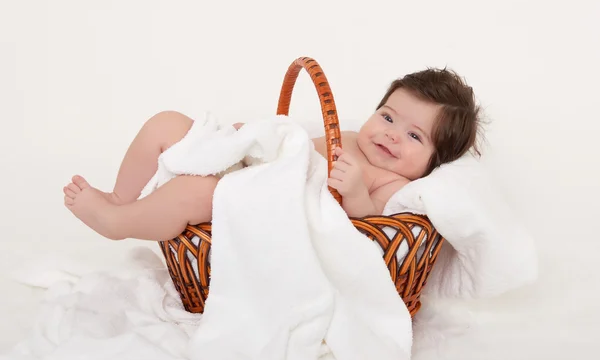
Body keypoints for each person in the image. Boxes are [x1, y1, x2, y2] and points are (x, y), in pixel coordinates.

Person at [63, 68, 482, 241]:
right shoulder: (353, 136)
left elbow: (370, 229)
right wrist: (257, 137)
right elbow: (298, 144)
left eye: (414, 135)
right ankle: (122, 196)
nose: (391, 136)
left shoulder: (393, 182)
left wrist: (356, 192)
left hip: (262, 204)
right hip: (255, 169)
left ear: (433, 162)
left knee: (196, 193)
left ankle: (117, 222)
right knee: (166, 122)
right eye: (388, 117)